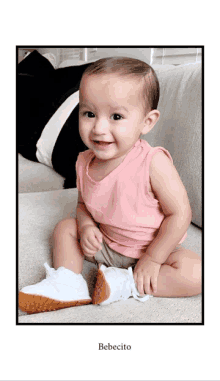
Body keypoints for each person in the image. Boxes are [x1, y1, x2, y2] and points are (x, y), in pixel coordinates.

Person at [19, 57, 201, 314]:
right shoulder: (83, 161)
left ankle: (125, 284)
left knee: (197, 273)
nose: (99, 128)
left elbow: (180, 213)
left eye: (116, 116)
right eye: (89, 114)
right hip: (105, 245)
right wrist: (86, 226)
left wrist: (152, 258)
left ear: (147, 122)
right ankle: (69, 282)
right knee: (64, 228)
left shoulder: (152, 162)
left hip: (152, 249)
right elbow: (83, 204)